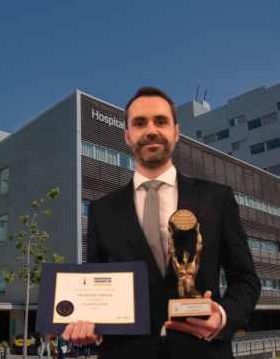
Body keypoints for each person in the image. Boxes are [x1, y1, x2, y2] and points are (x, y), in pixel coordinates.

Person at [62, 87, 261, 359]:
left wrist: (223, 316)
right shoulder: (102, 210)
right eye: (140, 123)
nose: (151, 130)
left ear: (176, 132)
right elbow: (98, 288)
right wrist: (90, 326)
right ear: (127, 136)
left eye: (161, 121)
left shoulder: (217, 198)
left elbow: (246, 280)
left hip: (203, 352)